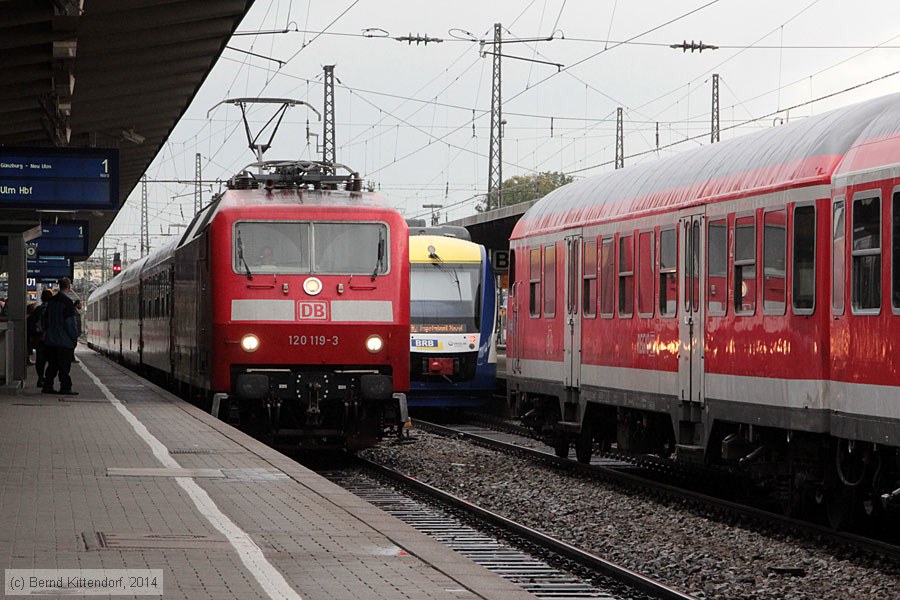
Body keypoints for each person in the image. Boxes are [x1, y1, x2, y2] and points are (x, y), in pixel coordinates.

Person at [42, 277, 79, 395]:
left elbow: (45, 320)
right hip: (64, 341)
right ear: (69, 287)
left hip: (51, 340)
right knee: (64, 366)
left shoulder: (51, 301)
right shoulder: (67, 303)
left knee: (52, 365)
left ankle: (47, 386)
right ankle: (65, 387)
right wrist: (74, 337)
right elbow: (70, 323)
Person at [27, 289, 54, 387]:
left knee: (40, 360)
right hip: (51, 339)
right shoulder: (53, 309)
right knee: (52, 360)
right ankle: (48, 380)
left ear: (42, 298)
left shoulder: (38, 309)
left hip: (39, 339)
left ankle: (40, 378)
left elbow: (30, 323)